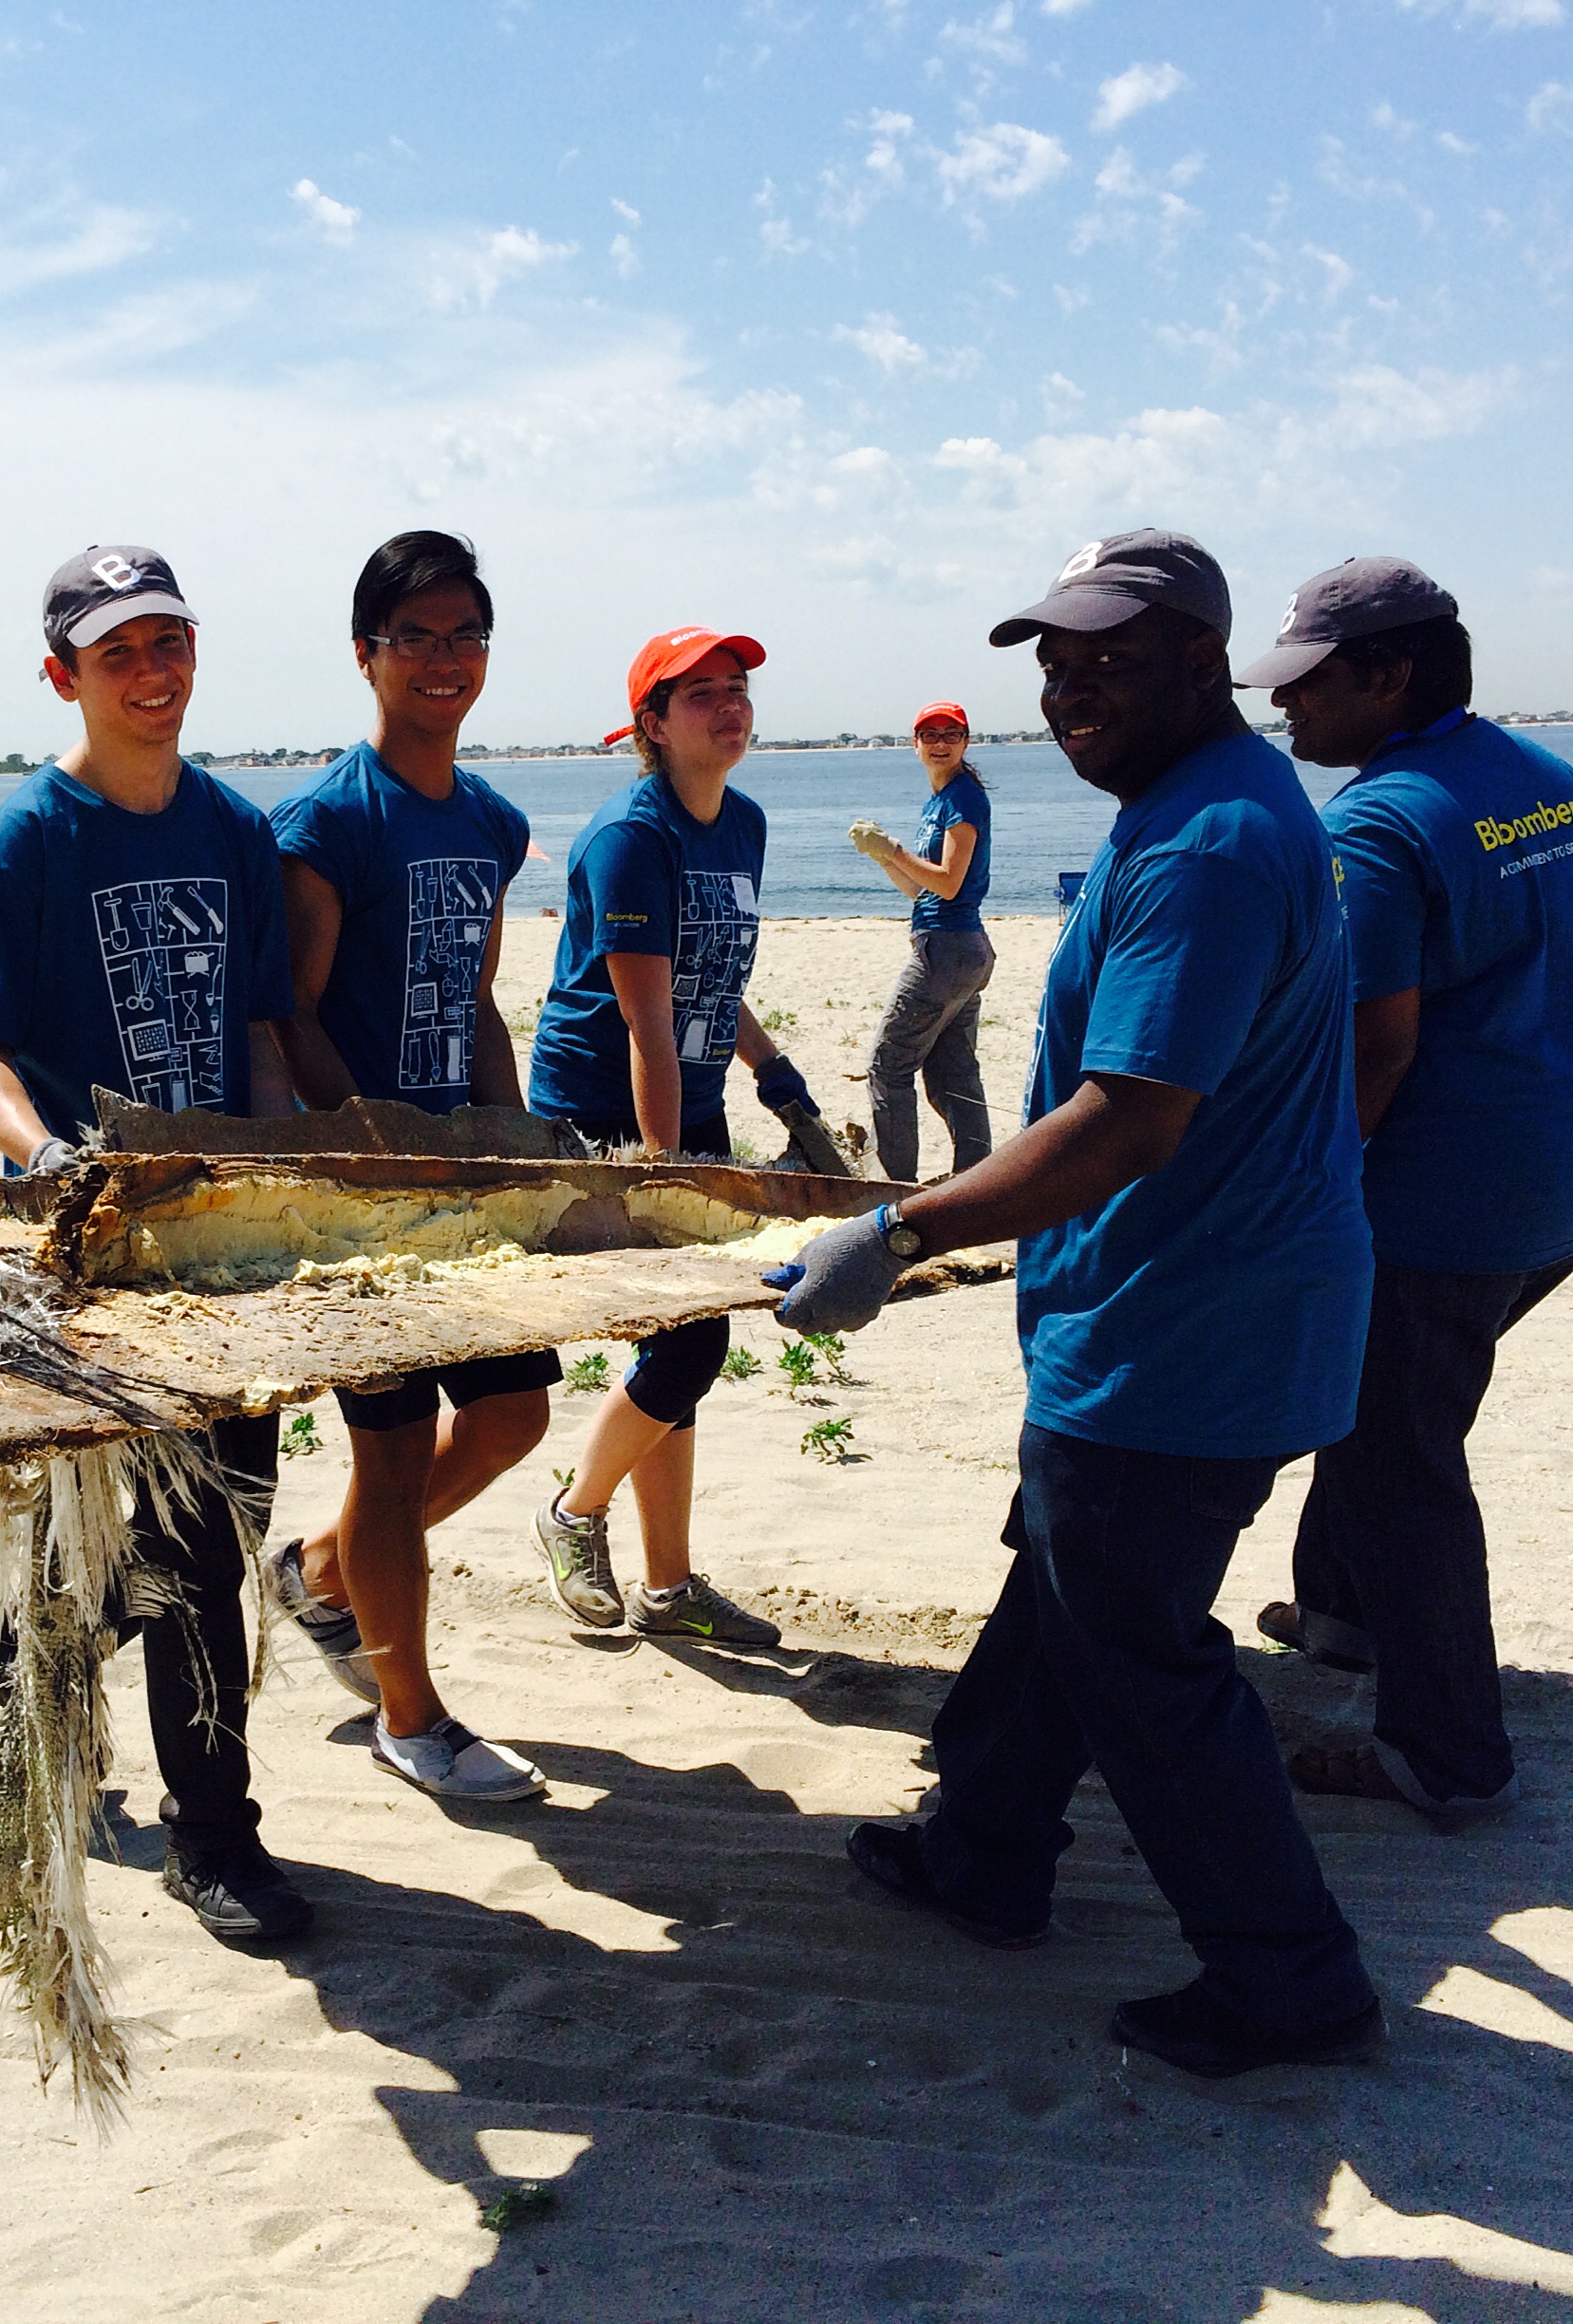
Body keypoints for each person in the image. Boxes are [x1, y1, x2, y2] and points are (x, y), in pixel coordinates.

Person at [771, 531, 1383, 2079]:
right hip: (1168, 1305)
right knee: (1060, 1579)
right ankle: (980, 1843)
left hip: (1188, 1326)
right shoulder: (1192, 806)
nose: (1066, 688)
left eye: (1106, 657)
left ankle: (1289, 1974)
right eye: (1050, 661)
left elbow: (1125, 1120)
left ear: (1201, 660)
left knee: (1138, 1652)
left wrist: (896, 1230)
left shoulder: (1204, 846)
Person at [0, 543, 312, 1944]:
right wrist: (47, 1162)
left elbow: (262, 1033)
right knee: (179, 1549)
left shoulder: (233, 831)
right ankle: (214, 1836)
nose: (153, 674)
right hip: (93, 1254)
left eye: (170, 644)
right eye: (119, 654)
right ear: (64, 678)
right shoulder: (28, 840)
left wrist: (278, 1183)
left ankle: (32, 1658)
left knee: (218, 1532)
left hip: (225, 1254)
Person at [1240, 556, 1573, 1818]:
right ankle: (1347, 1618)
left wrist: (1310, 1195)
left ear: (1388, 674)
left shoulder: (1378, 822)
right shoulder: (1538, 775)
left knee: (1402, 1448)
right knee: (1379, 1400)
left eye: (1308, 683)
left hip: (1455, 1194)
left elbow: (1375, 1047)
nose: (1284, 707)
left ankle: (1444, 1753)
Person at [262, 531, 552, 1806]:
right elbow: (292, 1012)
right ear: (368, 656)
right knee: (392, 1451)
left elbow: (478, 999)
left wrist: (515, 1137)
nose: (445, 662)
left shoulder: (492, 820)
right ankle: (410, 1713)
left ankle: (325, 1573)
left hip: (466, 1178)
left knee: (511, 1418)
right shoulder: (325, 823)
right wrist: (366, 1135)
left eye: (466, 636)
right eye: (418, 639)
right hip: (361, 1195)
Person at [524, 628, 823, 1650]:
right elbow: (646, 1022)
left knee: (677, 1348)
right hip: (604, 1114)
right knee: (693, 1337)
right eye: (700, 695)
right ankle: (572, 1511)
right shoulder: (631, 838)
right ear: (653, 724)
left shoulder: (740, 822)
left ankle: (667, 1586)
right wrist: (660, 1168)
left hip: (689, 1101)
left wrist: (774, 1074)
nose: (728, 707)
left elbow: (712, 979)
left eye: (736, 690)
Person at [849, 702, 996, 1181]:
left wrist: (894, 849)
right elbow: (920, 888)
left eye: (950, 734)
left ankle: (893, 1187)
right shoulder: (940, 800)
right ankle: (978, 1178)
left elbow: (950, 883)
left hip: (949, 948)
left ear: (965, 742)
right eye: (929, 735)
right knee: (952, 1075)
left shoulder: (964, 799)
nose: (939, 743)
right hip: (958, 948)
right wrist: (884, 857)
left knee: (887, 1067)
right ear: (915, 744)